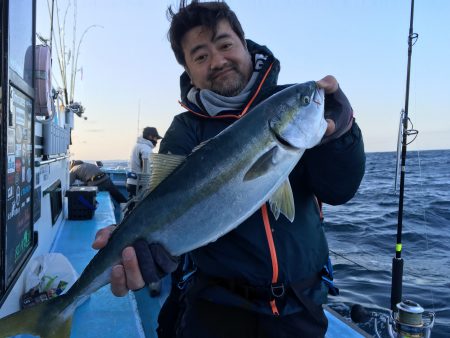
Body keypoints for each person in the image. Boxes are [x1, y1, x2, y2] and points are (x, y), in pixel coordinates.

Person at [92, 1, 365, 337]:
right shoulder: (185, 130)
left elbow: (339, 189)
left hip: (301, 305)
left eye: (224, 45)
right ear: (188, 71)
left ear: (244, 45)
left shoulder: (285, 102)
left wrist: (342, 132)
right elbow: (160, 199)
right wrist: (139, 242)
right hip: (216, 305)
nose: (218, 61)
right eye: (200, 56)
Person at [126, 126, 163, 198]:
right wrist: (146, 188)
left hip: (131, 182)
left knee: (132, 203)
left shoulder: (137, 146)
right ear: (150, 137)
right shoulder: (146, 149)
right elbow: (146, 171)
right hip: (138, 185)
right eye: (156, 138)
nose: (157, 141)